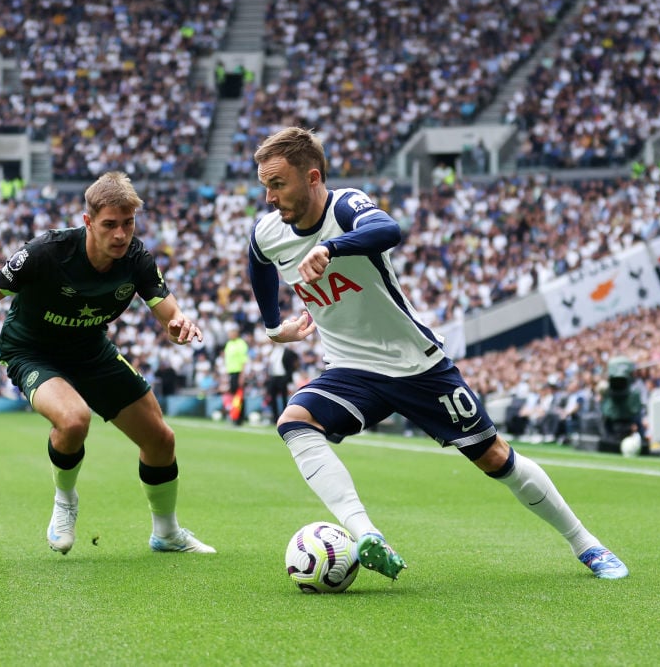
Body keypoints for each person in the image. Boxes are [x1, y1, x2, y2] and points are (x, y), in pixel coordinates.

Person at [247, 127, 627, 581]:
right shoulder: (270, 231)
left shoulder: (346, 206)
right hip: (350, 368)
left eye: (277, 184)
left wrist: (331, 247)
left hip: (415, 364)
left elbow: (388, 229)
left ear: (312, 177)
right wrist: (274, 326)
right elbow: (258, 260)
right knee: (294, 421)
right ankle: (367, 534)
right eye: (264, 185)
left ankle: (588, 546)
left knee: (496, 459)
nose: (269, 197)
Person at [0, 172, 215, 557]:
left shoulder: (137, 258)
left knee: (161, 439)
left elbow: (169, 317)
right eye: (110, 225)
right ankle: (65, 501)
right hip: (31, 351)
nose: (121, 235)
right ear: (89, 222)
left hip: (91, 351)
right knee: (74, 419)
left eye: (128, 224)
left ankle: (166, 533)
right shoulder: (46, 253)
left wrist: (179, 325)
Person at [222, 322, 249, 425]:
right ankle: (235, 415)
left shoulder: (241, 343)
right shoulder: (229, 344)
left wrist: (242, 376)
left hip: (238, 373)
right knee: (234, 396)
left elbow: (244, 361)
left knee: (239, 396)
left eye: (231, 332)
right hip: (231, 372)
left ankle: (239, 418)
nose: (230, 334)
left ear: (236, 333)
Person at [267, 344, 299, 421]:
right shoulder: (273, 351)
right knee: (272, 397)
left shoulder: (287, 352)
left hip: (283, 376)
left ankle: (285, 416)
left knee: (284, 397)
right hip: (273, 376)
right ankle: (275, 417)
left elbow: (293, 363)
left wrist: (287, 377)